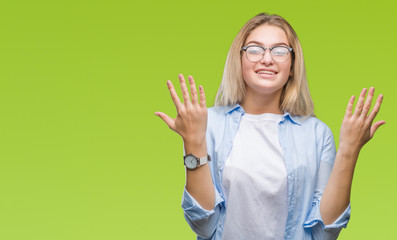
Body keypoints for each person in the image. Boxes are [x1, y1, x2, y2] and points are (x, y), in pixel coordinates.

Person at [155, 13, 385, 240]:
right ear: (240, 59)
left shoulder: (317, 134)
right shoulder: (208, 123)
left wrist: (349, 151)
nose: (267, 59)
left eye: (280, 50)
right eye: (254, 49)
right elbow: (203, 225)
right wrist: (193, 140)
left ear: (293, 65)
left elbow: (324, 234)